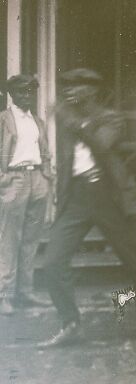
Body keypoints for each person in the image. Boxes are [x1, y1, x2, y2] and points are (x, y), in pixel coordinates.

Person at [37, 69, 136, 347]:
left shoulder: (109, 118)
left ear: (90, 91)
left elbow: (101, 145)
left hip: (108, 197)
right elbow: (68, 162)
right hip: (77, 198)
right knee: (52, 261)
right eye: (67, 86)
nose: (68, 92)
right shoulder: (68, 121)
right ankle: (71, 323)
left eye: (75, 87)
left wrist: (75, 123)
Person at [0, 74, 52, 315]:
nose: (27, 96)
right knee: (9, 238)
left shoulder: (37, 122)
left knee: (31, 239)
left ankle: (26, 292)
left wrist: (46, 175)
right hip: (15, 179)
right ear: (12, 94)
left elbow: (45, 151)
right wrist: (3, 178)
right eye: (22, 91)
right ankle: (5, 294)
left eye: (31, 91)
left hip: (36, 180)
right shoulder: (4, 120)